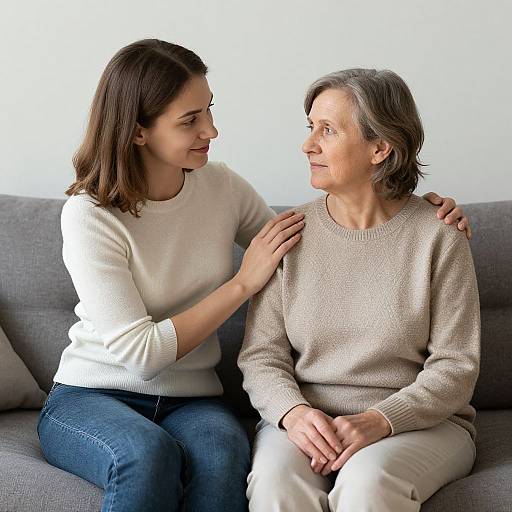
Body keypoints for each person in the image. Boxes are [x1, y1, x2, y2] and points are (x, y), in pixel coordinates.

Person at [36, 39, 471, 512]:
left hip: (192, 398)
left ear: (380, 147)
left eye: (208, 110)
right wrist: (244, 285)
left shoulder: (222, 187)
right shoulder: (89, 214)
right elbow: (144, 354)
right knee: (147, 455)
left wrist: (428, 212)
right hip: (94, 392)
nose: (212, 129)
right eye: (190, 120)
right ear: (139, 131)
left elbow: (308, 243)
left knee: (226, 457)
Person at [238, 68, 480, 512]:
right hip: (306, 420)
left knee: (367, 483)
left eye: (327, 130)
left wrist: (379, 421)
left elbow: (456, 367)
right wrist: (295, 415)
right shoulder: (288, 235)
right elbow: (261, 356)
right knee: (274, 482)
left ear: (380, 147)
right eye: (310, 128)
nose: (308, 145)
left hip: (419, 425)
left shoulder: (439, 235)